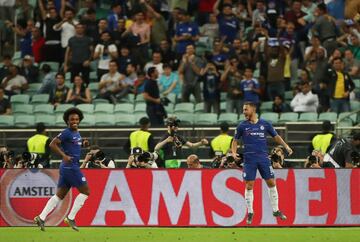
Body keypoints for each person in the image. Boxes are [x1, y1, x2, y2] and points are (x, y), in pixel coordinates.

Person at [231, 102, 293, 225]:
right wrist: (233, 153)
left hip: (263, 158)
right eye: (243, 110)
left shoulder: (265, 124)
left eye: (245, 109)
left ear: (253, 109)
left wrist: (286, 146)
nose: (244, 112)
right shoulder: (242, 126)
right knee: (249, 185)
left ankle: (276, 210)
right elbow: (235, 140)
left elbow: (276, 137)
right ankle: (250, 212)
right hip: (249, 159)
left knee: (271, 182)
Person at [34, 107, 90, 231]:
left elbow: (74, 145)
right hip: (70, 166)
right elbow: (52, 144)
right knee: (85, 191)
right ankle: (70, 217)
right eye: (72, 119)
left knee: (60, 195)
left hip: (67, 167)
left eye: (77, 119)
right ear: (67, 121)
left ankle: (41, 217)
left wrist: (84, 144)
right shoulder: (66, 132)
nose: (75, 121)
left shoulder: (76, 133)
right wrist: (64, 155)